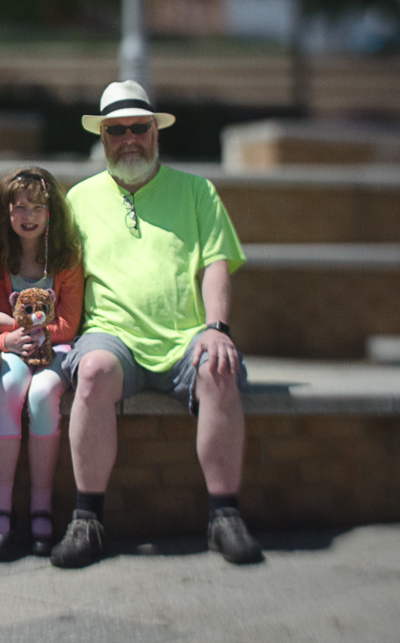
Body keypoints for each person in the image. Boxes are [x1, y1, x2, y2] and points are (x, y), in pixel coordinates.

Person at [51, 80, 263, 568]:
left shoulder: (197, 191)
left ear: (155, 132)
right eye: (117, 130)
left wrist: (217, 328)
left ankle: (225, 516)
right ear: (103, 138)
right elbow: (61, 274)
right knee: (93, 371)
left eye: (139, 128)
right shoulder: (77, 199)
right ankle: (87, 520)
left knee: (219, 368)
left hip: (188, 336)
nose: (129, 138)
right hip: (111, 334)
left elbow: (216, 265)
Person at [0, 167, 84, 560]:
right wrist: (7, 338)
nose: (29, 216)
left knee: (41, 395)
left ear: (51, 211)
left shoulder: (65, 257)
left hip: (58, 349)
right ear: (6, 212)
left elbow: (68, 325)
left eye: (38, 207)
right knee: (8, 388)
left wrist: (16, 325)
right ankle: (0, 513)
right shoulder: (0, 259)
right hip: (15, 350)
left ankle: (41, 507)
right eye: (20, 207)